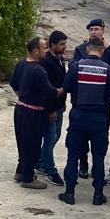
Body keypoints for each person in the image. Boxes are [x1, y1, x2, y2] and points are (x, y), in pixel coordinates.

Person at [58, 37, 110, 206]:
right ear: (102, 51)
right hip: (99, 118)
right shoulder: (108, 70)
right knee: (98, 157)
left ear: (87, 50)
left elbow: (66, 87)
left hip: (78, 115)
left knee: (73, 155)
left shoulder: (76, 67)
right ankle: (98, 195)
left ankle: (70, 193)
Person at [74, 19, 110, 180]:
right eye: (91, 29)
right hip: (82, 101)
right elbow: (73, 68)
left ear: (103, 31)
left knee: (101, 138)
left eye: (97, 29)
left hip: (102, 105)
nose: (94, 32)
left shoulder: (108, 50)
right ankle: (83, 165)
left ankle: (98, 168)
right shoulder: (81, 49)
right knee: (81, 139)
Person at [9, 37, 57, 188]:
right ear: (36, 51)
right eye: (44, 48)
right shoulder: (38, 70)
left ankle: (21, 171)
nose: (47, 50)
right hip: (33, 113)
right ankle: (28, 179)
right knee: (33, 145)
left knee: (22, 142)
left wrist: (23, 97)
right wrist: (63, 89)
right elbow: (50, 93)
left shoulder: (22, 63)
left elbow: (13, 84)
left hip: (20, 108)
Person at [37, 30, 69, 186]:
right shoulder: (46, 62)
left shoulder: (60, 59)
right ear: (52, 45)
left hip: (58, 106)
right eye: (62, 44)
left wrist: (63, 102)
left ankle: (40, 161)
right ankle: (50, 170)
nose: (64, 47)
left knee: (55, 137)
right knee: (50, 139)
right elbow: (46, 89)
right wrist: (49, 110)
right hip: (50, 108)